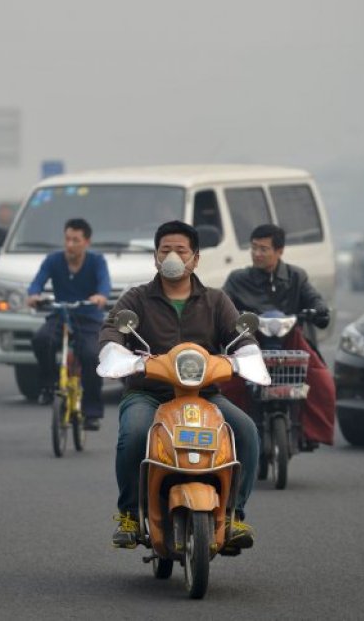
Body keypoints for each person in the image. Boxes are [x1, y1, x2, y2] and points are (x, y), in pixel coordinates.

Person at [99, 220, 260, 551]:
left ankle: (234, 515)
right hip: (148, 394)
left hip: (205, 395)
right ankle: (129, 516)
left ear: (195, 258)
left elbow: (242, 337)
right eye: (165, 250)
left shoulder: (216, 301)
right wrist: (118, 354)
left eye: (180, 250)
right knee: (133, 435)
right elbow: (113, 330)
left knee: (245, 431)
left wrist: (244, 356)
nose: (172, 256)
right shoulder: (137, 299)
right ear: (155, 257)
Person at [222, 223, 336, 447]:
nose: (257, 254)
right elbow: (223, 305)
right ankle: (228, 434)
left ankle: (310, 433)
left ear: (279, 251)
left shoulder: (297, 277)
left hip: (291, 341)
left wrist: (320, 309)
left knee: (323, 383)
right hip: (249, 341)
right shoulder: (237, 279)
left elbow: (314, 299)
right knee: (225, 385)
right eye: (253, 248)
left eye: (263, 249)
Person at [26, 218, 111, 430]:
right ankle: (48, 385)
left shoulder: (97, 261)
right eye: (67, 239)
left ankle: (92, 412)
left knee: (91, 356)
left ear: (87, 242)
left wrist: (100, 296)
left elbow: (104, 284)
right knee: (42, 340)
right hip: (61, 314)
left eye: (76, 240)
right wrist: (34, 294)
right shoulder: (53, 260)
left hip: (88, 317)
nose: (70, 244)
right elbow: (37, 282)